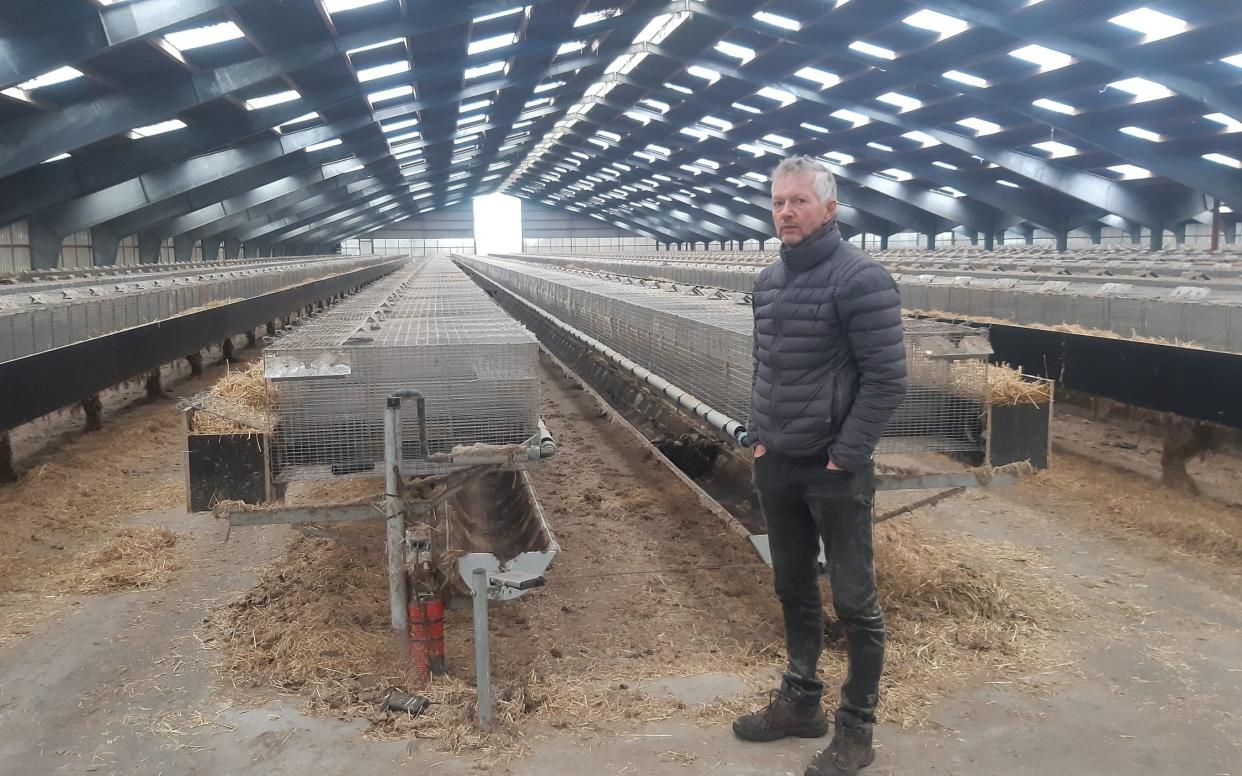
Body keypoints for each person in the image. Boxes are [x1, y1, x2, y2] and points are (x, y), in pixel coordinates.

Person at [733, 156, 907, 776]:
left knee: (855, 601)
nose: (785, 212)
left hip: (833, 469)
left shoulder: (861, 279)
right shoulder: (770, 281)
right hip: (777, 462)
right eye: (778, 202)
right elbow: (766, 365)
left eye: (799, 201)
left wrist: (846, 454)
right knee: (793, 586)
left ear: (829, 209)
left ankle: (856, 729)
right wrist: (758, 436)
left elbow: (887, 380)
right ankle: (801, 701)